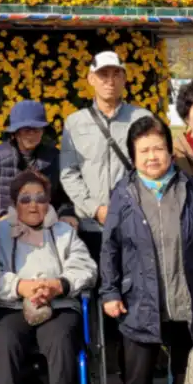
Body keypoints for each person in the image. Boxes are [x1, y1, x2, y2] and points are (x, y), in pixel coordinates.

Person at [100, 116, 193, 384]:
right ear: (133, 158)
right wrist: (109, 292)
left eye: (158, 149)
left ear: (170, 152)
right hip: (139, 302)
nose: (152, 156)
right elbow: (110, 246)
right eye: (144, 151)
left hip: (189, 301)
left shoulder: (191, 188)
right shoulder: (124, 194)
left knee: (187, 382)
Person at [0, 169, 98, 384]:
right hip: (13, 306)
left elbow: (85, 267)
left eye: (40, 198)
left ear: (48, 202)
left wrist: (58, 285)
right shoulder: (0, 232)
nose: (33, 205)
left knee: (63, 341)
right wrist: (21, 287)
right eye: (25, 199)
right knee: (3, 340)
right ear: (14, 203)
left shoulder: (63, 231)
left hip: (59, 305)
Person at [58, 51, 154, 258]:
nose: (110, 81)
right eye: (103, 75)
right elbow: (69, 172)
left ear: (125, 79)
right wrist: (95, 209)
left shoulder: (143, 118)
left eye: (116, 74)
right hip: (90, 225)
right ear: (91, 79)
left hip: (135, 221)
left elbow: (153, 168)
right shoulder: (75, 122)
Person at [0, 100, 75, 223]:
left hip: (43, 223)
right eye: (26, 130)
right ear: (15, 133)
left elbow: (65, 197)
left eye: (37, 130)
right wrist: (1, 215)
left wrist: (67, 214)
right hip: (3, 224)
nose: (32, 135)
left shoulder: (54, 156)